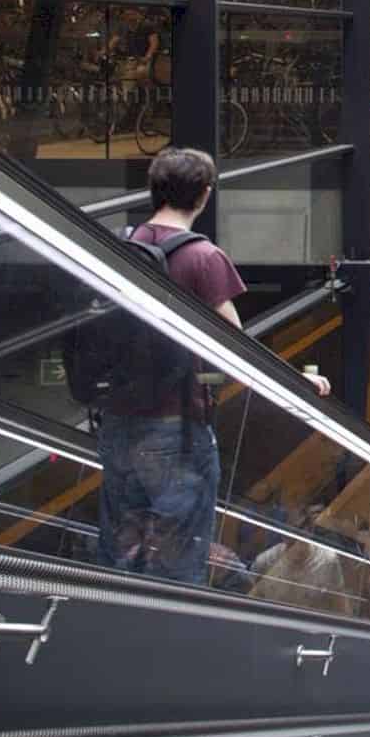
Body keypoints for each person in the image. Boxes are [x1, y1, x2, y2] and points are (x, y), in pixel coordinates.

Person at [88, 147, 329, 587]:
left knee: (121, 553)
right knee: (178, 560)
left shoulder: (124, 246)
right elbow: (237, 349)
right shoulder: (203, 258)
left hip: (118, 425)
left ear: (154, 191)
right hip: (175, 431)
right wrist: (297, 381)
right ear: (204, 195)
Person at [250, 503, 350, 616]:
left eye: (300, 530)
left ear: (310, 530)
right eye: (289, 531)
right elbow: (249, 602)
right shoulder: (266, 561)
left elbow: (342, 609)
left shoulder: (328, 560)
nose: (296, 538)